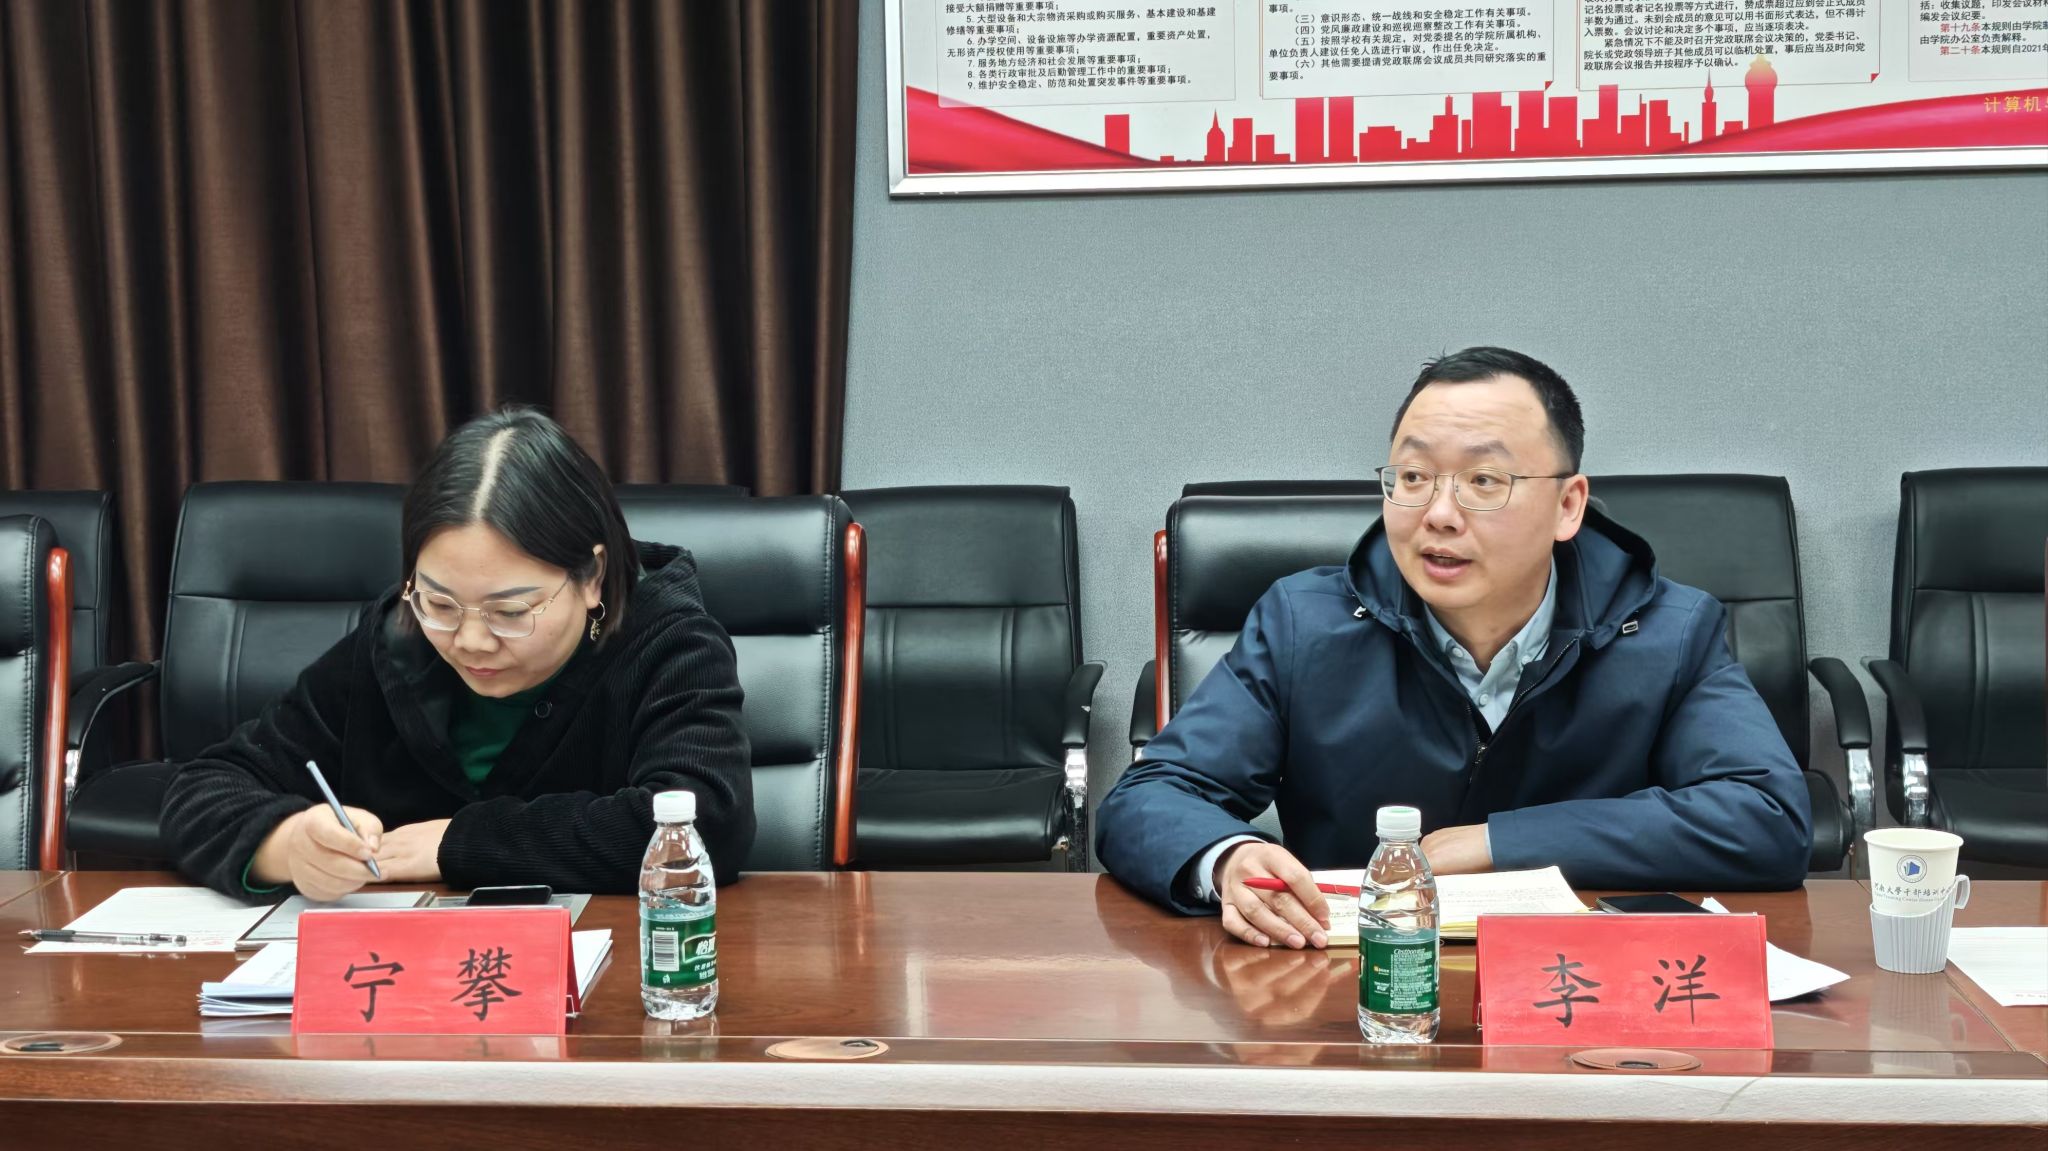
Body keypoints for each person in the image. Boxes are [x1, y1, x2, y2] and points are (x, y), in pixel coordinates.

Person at [1096, 347, 1811, 949]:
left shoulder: (1668, 631)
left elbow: (1767, 816)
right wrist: (1228, 859)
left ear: (1568, 505)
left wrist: (1500, 843)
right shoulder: (1304, 624)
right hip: (1350, 988)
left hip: (1581, 998)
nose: (1438, 513)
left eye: (1483, 481)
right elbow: (1150, 796)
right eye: (1413, 477)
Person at [163, 408, 753, 899]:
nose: (470, 640)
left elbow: (706, 825)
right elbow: (206, 788)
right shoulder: (399, 639)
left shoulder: (668, 643)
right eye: (440, 602)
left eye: (511, 611)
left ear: (592, 577)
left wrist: (459, 844)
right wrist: (287, 845)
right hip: (406, 981)